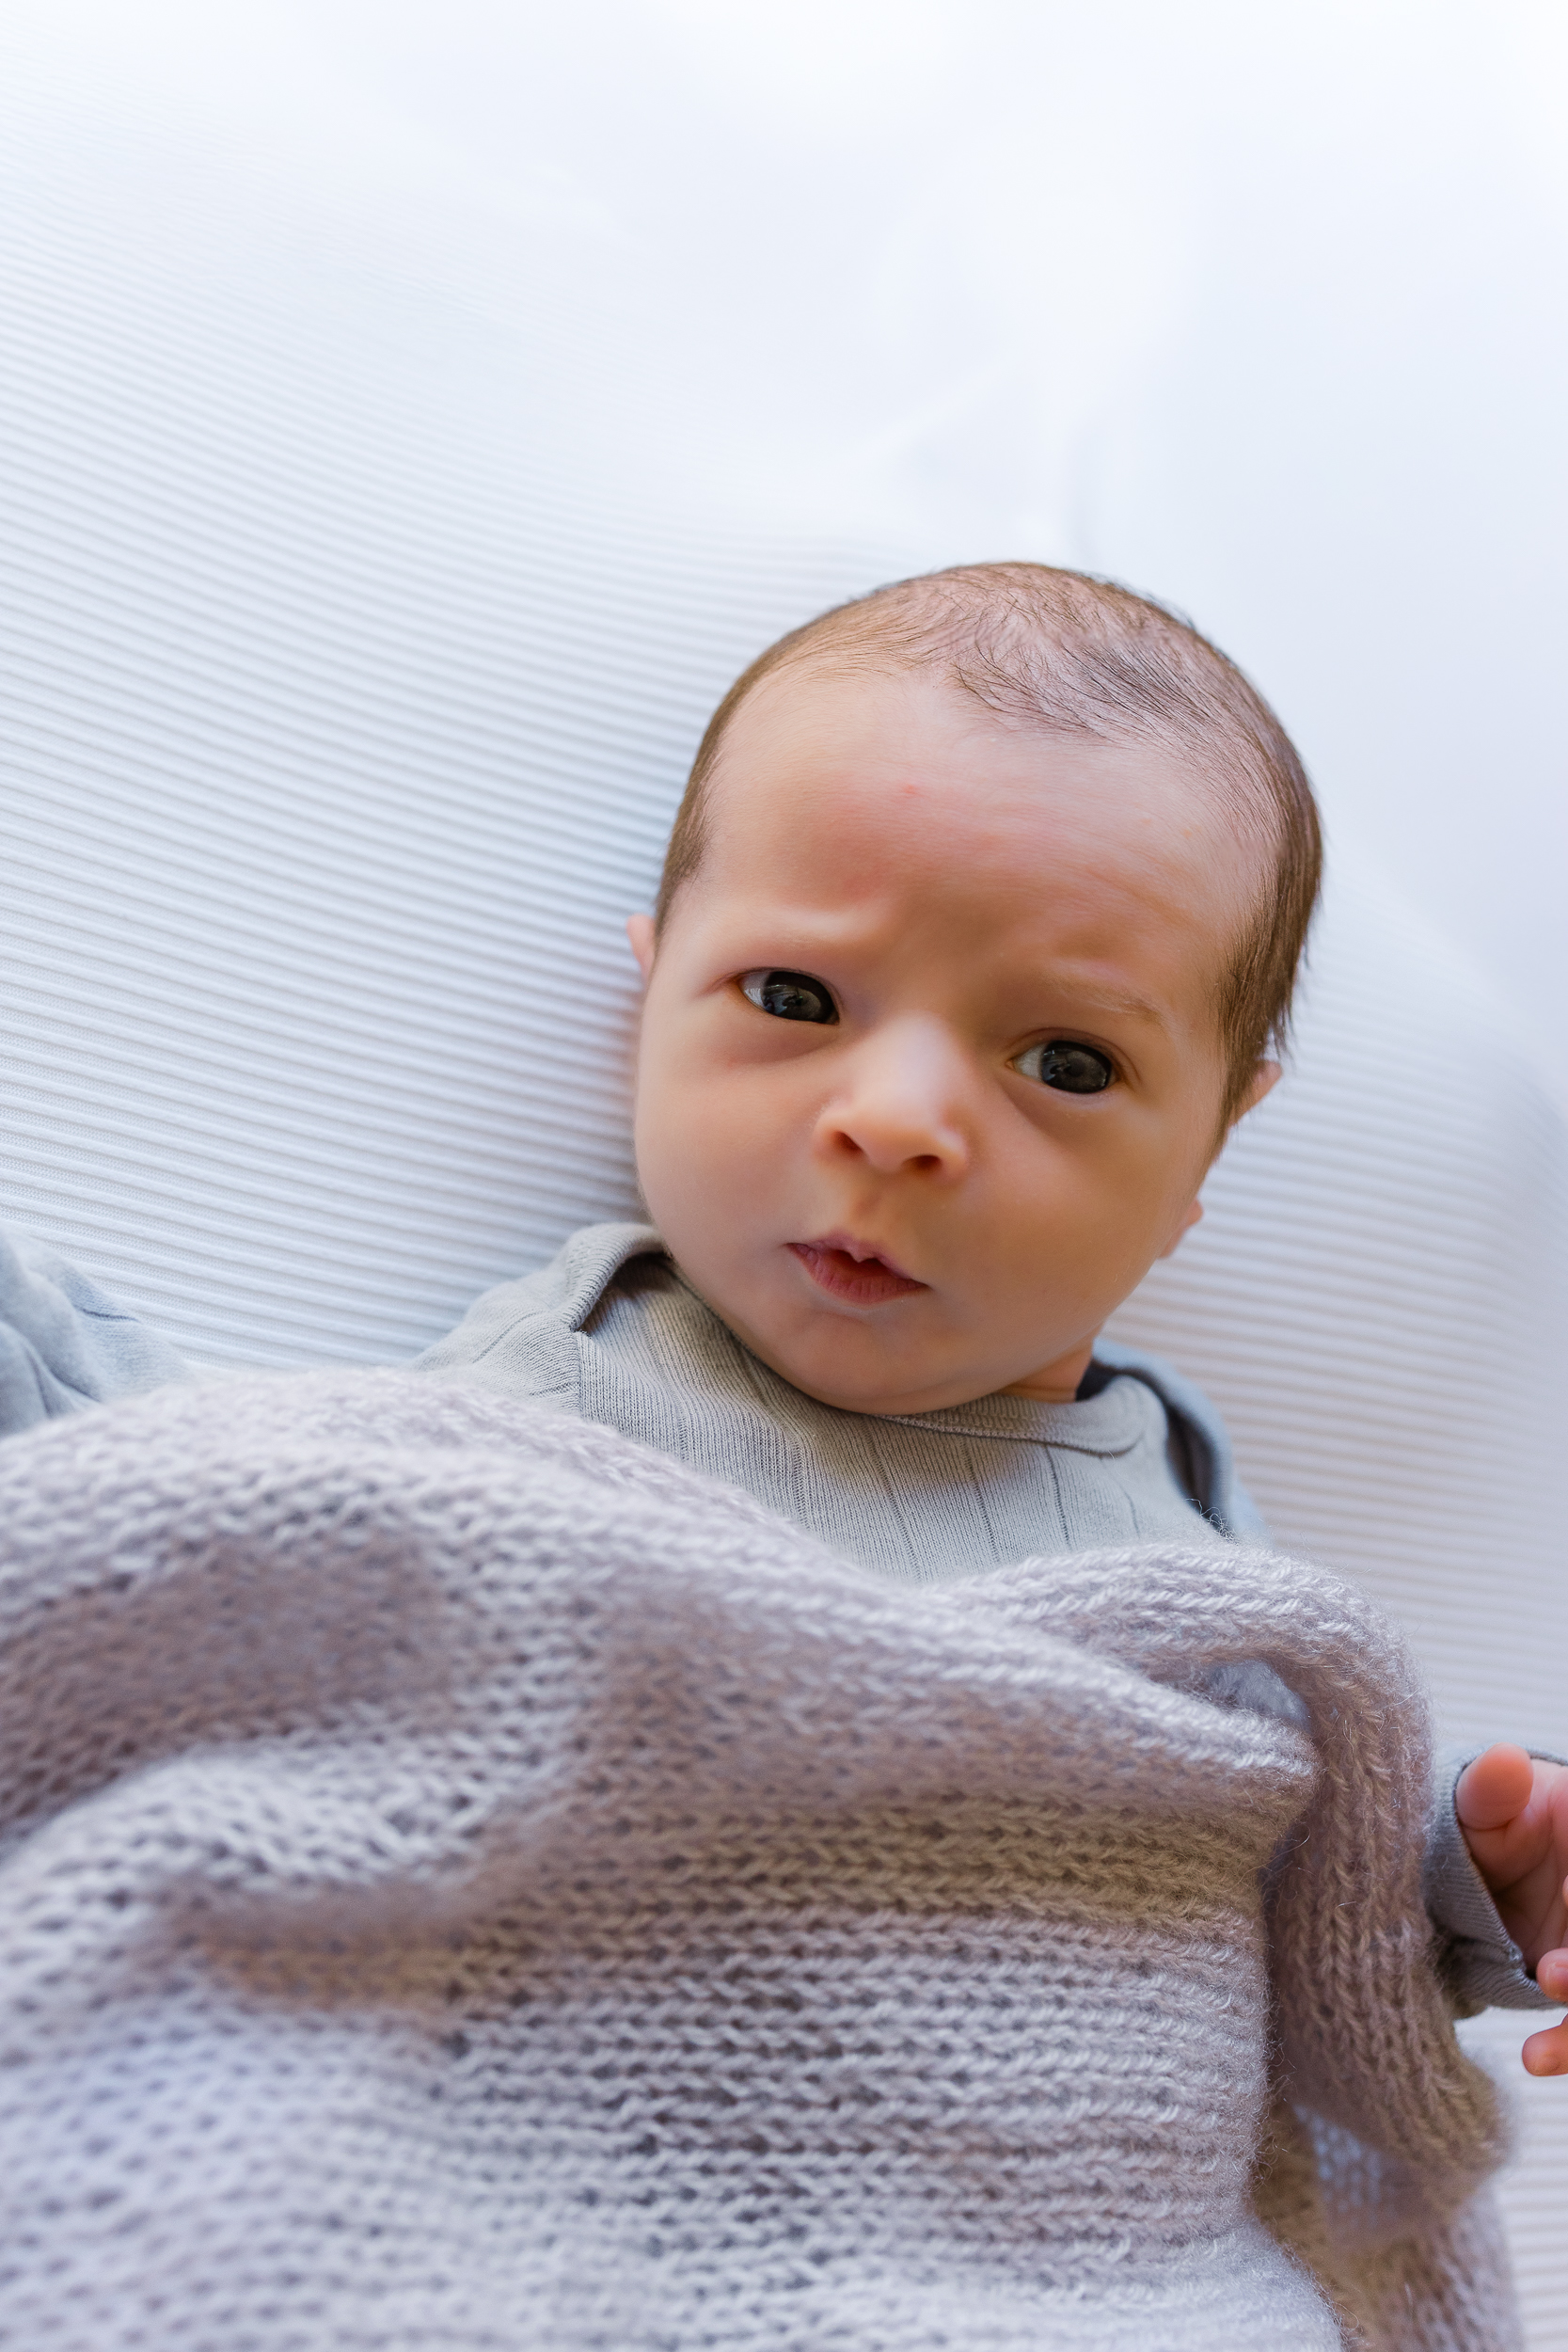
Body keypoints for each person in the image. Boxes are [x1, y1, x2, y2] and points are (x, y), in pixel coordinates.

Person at [1, 562, 1562, 2073]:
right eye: (796, 1001)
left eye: (1068, 1064)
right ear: (649, 1001)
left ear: (1208, 1153)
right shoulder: (579, 1366)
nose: (894, 1123)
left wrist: (1494, 1870)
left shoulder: (1200, 1540)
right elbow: (208, 1508)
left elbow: (1302, 1860)